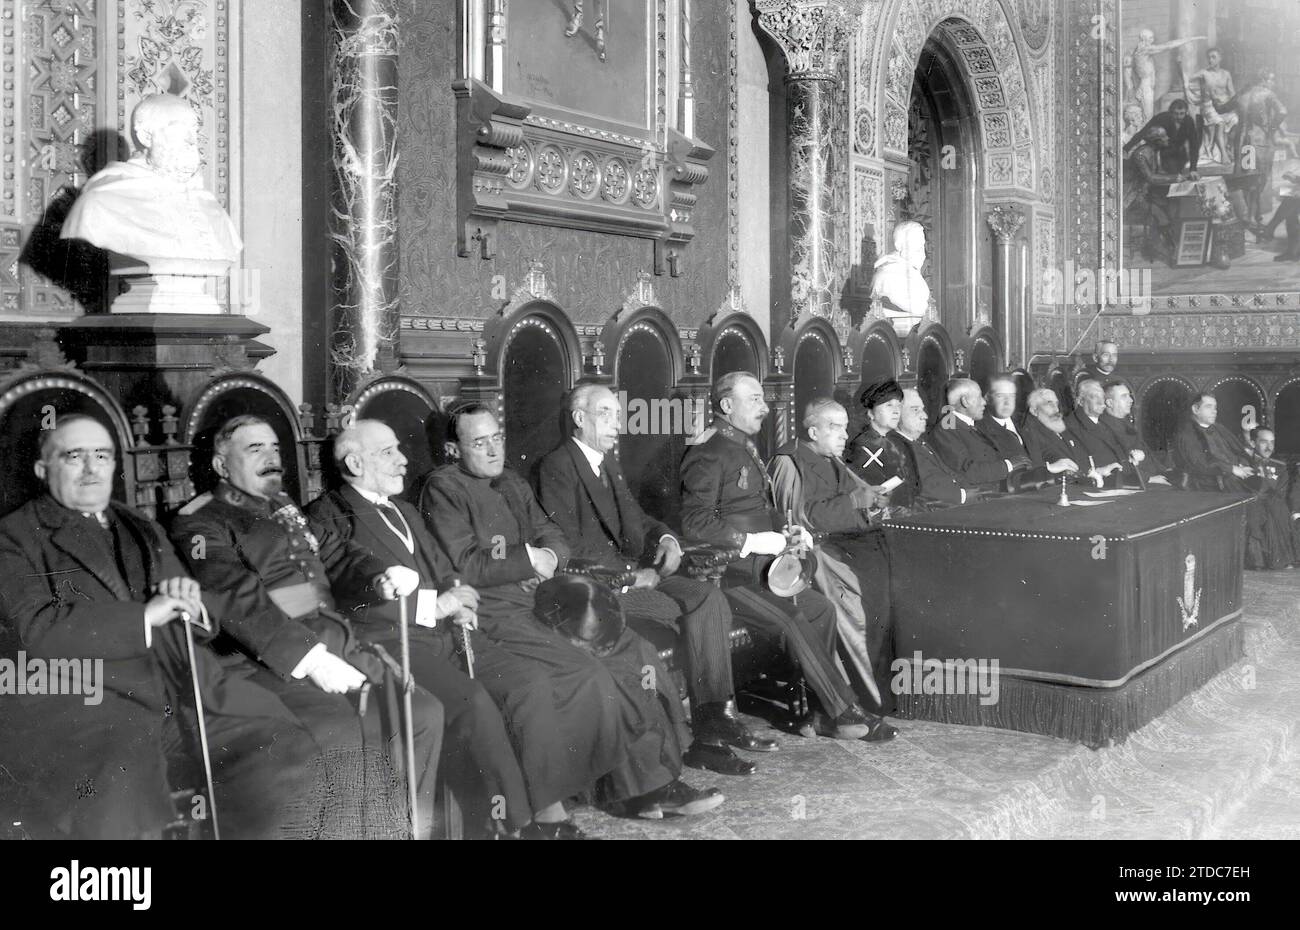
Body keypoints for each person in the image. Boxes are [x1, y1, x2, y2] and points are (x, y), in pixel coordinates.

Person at [0, 416, 329, 839]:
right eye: (74, 456)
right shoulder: (14, 537)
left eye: (102, 455)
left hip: (175, 693)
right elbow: (34, 630)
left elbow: (196, 616)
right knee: (123, 785)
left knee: (281, 745)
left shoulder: (137, 525)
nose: (91, 468)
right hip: (84, 706)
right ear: (43, 470)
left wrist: (191, 607)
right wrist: (145, 617)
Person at [421, 404, 724, 819]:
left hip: (545, 598)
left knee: (634, 655)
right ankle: (625, 789)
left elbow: (553, 534)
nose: (493, 450)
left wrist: (547, 554)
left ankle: (651, 784)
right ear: (454, 450)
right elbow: (465, 561)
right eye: (479, 442)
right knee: (590, 669)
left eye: (497, 438)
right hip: (497, 612)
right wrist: (530, 560)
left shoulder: (510, 480)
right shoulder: (444, 488)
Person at [169, 415, 444, 836]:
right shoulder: (199, 521)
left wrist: (379, 574)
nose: (271, 458)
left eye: (275, 449)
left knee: (422, 712)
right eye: (254, 449)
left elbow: (336, 551)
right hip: (264, 659)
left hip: (333, 637)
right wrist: (311, 659)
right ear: (223, 467)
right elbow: (234, 596)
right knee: (347, 731)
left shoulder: (282, 506)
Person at [308, 418, 583, 838]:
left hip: (448, 633)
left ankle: (548, 808)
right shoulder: (328, 514)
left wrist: (459, 594)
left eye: (399, 449)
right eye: (388, 453)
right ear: (354, 463)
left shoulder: (405, 510)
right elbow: (351, 591)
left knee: (528, 682)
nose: (403, 461)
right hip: (391, 642)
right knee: (472, 701)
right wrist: (433, 605)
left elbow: (445, 567)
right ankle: (519, 824)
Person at [537, 385, 778, 777]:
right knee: (683, 610)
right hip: (601, 586)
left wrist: (665, 536)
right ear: (580, 419)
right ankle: (704, 740)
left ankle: (715, 723)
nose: (618, 424)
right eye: (607, 415)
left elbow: (635, 516)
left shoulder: (606, 462)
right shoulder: (558, 466)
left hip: (638, 574)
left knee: (708, 600)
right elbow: (567, 541)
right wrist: (631, 576)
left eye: (619, 414)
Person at [679, 372, 894, 741]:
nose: (765, 408)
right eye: (755, 400)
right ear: (727, 406)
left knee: (821, 609)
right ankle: (842, 709)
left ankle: (813, 711)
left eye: (764, 399)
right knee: (793, 617)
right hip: (726, 574)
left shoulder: (743, 445)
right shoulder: (708, 452)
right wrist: (753, 541)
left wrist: (789, 529)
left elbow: (763, 507)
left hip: (762, 571)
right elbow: (695, 524)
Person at [770, 398, 901, 717]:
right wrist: (858, 503)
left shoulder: (833, 458)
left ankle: (882, 694)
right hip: (815, 554)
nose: (844, 435)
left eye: (845, 427)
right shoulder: (788, 461)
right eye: (835, 427)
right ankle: (859, 700)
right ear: (813, 431)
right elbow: (796, 519)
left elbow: (862, 496)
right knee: (856, 607)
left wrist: (872, 500)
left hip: (851, 543)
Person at [61, 94, 241, 270]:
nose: (191, 140)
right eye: (178, 128)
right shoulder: (100, 203)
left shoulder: (209, 206)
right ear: (146, 137)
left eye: (194, 129)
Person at [929, 378, 1031, 491]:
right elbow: (967, 472)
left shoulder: (977, 424)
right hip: (985, 497)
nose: (984, 402)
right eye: (979, 397)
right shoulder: (946, 430)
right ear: (965, 401)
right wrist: (1008, 465)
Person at [975, 375, 1076, 486]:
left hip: (1043, 488)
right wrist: (1048, 468)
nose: (1007, 402)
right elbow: (1000, 479)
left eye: (1011, 396)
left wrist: (1062, 462)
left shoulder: (1024, 421)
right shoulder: (979, 430)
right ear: (987, 398)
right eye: (1000, 396)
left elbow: (1046, 450)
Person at [889, 387, 980, 505]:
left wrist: (970, 489)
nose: (924, 416)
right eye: (915, 410)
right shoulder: (895, 447)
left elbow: (947, 472)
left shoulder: (919, 441)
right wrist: (964, 496)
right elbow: (926, 487)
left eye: (922, 409)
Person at [846, 378, 914, 508]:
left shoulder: (895, 442)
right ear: (870, 413)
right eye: (889, 405)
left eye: (898, 405)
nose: (896, 411)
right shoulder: (862, 447)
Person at [1245, 427, 1300, 570]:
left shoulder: (1280, 466)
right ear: (1252, 443)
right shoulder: (1244, 464)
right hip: (1254, 505)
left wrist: (1262, 482)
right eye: (1264, 442)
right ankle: (1269, 560)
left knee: (1277, 508)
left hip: (1273, 506)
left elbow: (1280, 492)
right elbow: (1248, 489)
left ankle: (1279, 559)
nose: (1269, 447)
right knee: (1262, 511)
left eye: (1272, 442)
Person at [1099, 381, 1171, 486]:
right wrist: (1148, 478)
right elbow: (1115, 464)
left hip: (1153, 477)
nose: (1131, 401)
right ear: (1109, 403)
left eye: (1130, 396)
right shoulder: (1102, 428)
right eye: (1124, 397)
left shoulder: (1126, 423)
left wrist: (1165, 470)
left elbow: (1147, 453)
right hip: (1137, 483)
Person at [869, 220, 930, 330]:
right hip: (895, 332)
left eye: (922, 243)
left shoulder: (914, 274)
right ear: (899, 245)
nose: (921, 248)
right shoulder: (887, 275)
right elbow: (919, 307)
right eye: (916, 243)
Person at [1066, 379, 1128, 485]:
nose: (1101, 402)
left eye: (1102, 397)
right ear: (1080, 401)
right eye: (1094, 397)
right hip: (1094, 485)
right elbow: (1074, 467)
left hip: (1119, 482)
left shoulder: (1104, 424)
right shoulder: (1070, 426)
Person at [1122, 99, 1200, 177]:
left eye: (1182, 113)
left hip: (1180, 155)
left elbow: (1194, 145)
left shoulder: (1189, 121)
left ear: (1186, 112)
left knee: (1177, 176)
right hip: (1163, 153)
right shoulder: (1162, 118)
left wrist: (1193, 169)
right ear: (1170, 112)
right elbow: (1143, 132)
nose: (1179, 117)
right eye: (1176, 114)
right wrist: (1126, 148)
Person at [1187, 47, 1238, 167]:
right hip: (1208, 106)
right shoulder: (1203, 73)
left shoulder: (1226, 74)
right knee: (1219, 123)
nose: (1210, 60)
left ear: (1220, 58)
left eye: (1213, 57)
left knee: (1236, 120)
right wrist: (1197, 93)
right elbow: (1188, 81)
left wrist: (1233, 106)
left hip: (1224, 106)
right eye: (1209, 57)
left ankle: (1228, 147)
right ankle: (1223, 155)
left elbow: (1232, 93)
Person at [1022, 388, 1084, 476]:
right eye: (1049, 403)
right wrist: (1050, 467)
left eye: (1057, 404)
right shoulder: (1030, 433)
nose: (1056, 409)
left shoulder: (1062, 427)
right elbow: (1032, 469)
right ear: (1034, 411)